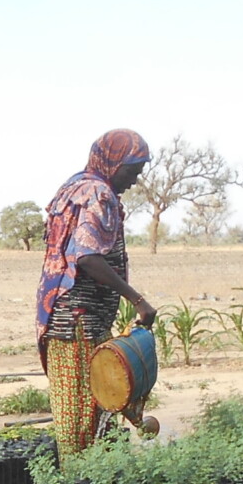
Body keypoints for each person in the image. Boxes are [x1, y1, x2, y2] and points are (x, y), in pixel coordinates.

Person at [35, 129, 156, 455]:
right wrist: (137, 299)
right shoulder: (98, 194)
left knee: (87, 407)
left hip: (69, 320)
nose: (134, 181)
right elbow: (86, 257)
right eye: (132, 172)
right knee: (86, 412)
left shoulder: (74, 187)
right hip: (79, 324)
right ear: (115, 163)